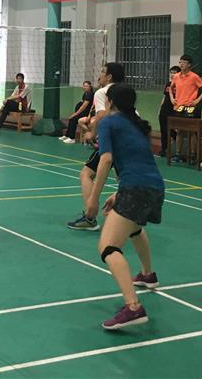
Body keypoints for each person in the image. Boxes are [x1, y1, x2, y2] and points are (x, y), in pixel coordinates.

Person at [83, 83, 165, 330]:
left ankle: (133, 307)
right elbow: (136, 162)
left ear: (110, 102)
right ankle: (147, 275)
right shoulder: (136, 125)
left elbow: (106, 159)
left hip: (136, 188)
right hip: (154, 187)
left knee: (108, 247)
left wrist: (93, 198)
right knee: (134, 227)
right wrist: (119, 193)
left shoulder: (108, 122)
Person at [68, 62, 125, 231]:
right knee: (123, 180)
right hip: (130, 137)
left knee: (86, 174)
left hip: (114, 138)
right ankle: (126, 217)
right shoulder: (125, 90)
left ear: (109, 76)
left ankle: (90, 216)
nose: (100, 75)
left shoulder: (103, 92)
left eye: (102, 72)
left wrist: (91, 132)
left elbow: (102, 115)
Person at [170, 54, 202, 162]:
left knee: (192, 131)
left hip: (190, 106)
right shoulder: (176, 76)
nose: (181, 64)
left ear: (189, 65)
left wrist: (198, 100)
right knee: (179, 131)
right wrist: (172, 98)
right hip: (178, 106)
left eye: (184, 62)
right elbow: (170, 88)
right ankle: (178, 154)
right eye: (180, 62)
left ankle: (192, 155)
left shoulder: (194, 76)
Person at [157, 66, 180, 159]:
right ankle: (164, 149)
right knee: (163, 130)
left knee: (171, 129)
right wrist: (160, 108)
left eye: (174, 73)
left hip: (174, 110)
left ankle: (177, 147)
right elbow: (165, 97)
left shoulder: (180, 84)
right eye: (171, 72)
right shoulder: (168, 84)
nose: (172, 74)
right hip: (164, 109)